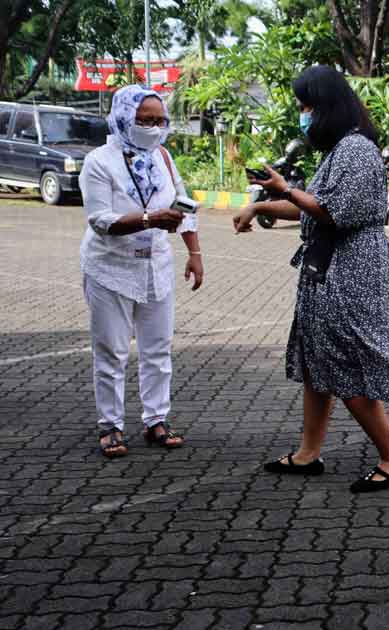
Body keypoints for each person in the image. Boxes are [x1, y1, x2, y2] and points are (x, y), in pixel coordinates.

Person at [232, 65, 389, 493]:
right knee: (317, 362)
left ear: (326, 105)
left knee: (347, 365)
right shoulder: (338, 152)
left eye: (306, 106)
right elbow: (313, 206)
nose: (303, 114)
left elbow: (333, 212)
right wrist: (261, 206)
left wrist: (285, 189)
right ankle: (309, 452)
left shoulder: (356, 150)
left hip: (351, 272)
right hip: (328, 268)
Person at [80, 84, 204, 458]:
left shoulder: (162, 157)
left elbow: (184, 203)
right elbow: (101, 220)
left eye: (159, 120)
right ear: (123, 117)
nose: (152, 127)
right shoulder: (99, 161)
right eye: (143, 120)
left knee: (157, 349)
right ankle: (111, 425)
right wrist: (150, 218)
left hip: (156, 267)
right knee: (112, 351)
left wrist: (194, 252)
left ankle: (156, 420)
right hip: (110, 268)